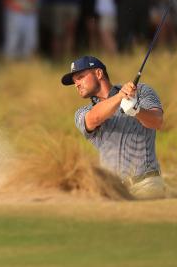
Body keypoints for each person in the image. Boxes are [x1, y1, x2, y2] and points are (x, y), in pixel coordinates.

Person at [62, 55, 166, 199]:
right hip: (113, 189)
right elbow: (94, 119)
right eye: (74, 81)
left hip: (146, 183)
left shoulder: (141, 91)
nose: (76, 84)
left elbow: (157, 122)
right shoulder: (82, 112)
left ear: (98, 74)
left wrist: (136, 111)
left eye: (80, 77)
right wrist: (120, 97)